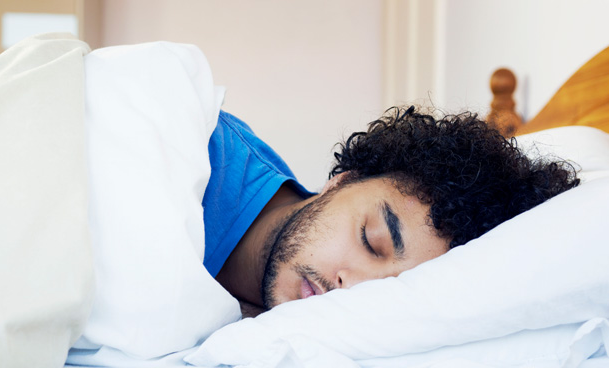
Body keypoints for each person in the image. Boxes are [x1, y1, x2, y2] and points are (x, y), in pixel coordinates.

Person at [205, 106, 579, 316]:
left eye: (390, 290)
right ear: (342, 181)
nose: (351, 287)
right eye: (370, 241)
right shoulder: (201, 154)